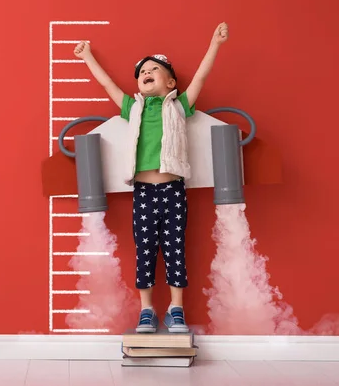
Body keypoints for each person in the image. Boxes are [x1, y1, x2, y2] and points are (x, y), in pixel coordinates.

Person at [73, 22, 229, 333]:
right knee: (144, 250)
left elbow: (200, 77)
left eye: (153, 69)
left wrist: (215, 43)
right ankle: (147, 311)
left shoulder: (180, 106)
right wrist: (87, 56)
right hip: (143, 192)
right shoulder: (133, 108)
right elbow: (108, 86)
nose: (146, 73)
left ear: (170, 82)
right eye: (142, 71)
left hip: (173, 190)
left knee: (175, 249)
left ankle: (176, 309)